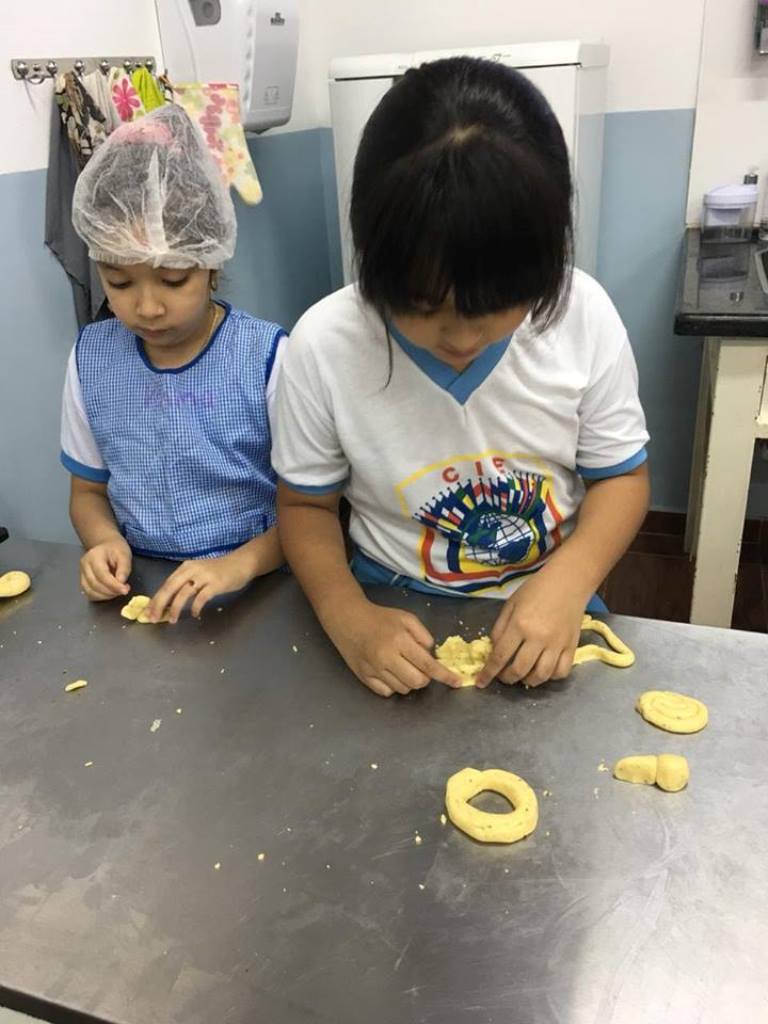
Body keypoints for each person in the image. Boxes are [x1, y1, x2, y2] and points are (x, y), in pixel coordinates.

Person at [272, 56, 650, 697]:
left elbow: (622, 479)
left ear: (547, 263)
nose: (463, 337)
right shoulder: (323, 344)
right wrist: (347, 617)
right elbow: (305, 506)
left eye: (497, 308)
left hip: (554, 592)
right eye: (424, 308)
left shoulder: (582, 315)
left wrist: (567, 584)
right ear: (373, 259)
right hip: (390, 600)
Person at [60, 105, 284, 623]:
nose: (148, 307)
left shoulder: (266, 358)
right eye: (119, 284)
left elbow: (313, 509)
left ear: (212, 262)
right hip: (147, 588)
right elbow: (88, 492)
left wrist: (238, 565)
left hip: (260, 588)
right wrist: (102, 542)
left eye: (173, 280)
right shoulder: (91, 360)